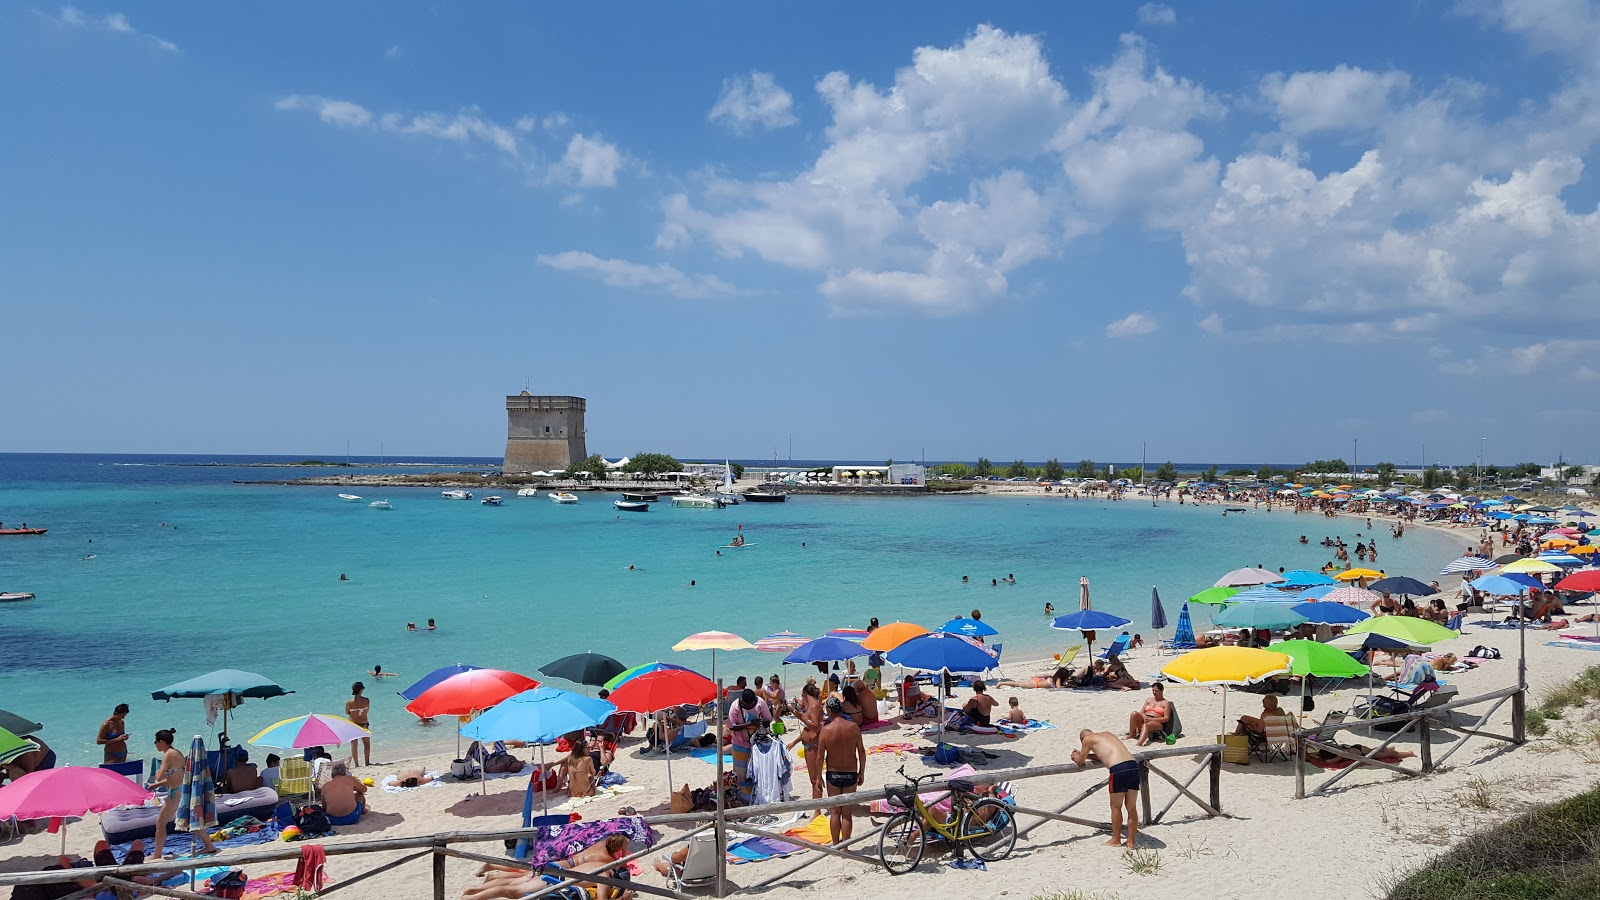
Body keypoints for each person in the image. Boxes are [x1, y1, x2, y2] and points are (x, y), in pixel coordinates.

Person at [147, 729, 217, 858]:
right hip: (180, 791)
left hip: (175, 793)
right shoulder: (176, 753)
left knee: (160, 823)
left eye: (155, 742)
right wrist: (156, 786)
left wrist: (156, 773)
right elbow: (175, 777)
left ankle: (156, 854)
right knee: (191, 821)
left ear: (161, 742)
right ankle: (210, 846)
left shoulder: (168, 754)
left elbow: (159, 775)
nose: (155, 744)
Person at [1073, 729, 1139, 847]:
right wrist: (1088, 755)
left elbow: (1080, 761)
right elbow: (1104, 754)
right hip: (1133, 765)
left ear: (1082, 739)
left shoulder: (1087, 740)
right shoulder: (1108, 734)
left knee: (1115, 807)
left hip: (1118, 769)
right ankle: (1131, 842)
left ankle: (1116, 839)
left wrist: (1075, 755)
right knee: (1132, 808)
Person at [817, 697, 866, 844]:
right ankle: (845, 847)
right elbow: (861, 752)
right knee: (847, 814)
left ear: (830, 711)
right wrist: (862, 772)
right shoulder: (853, 727)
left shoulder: (825, 731)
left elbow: (820, 757)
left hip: (833, 774)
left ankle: (836, 845)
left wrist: (818, 778)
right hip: (851, 773)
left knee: (834, 812)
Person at [727, 689, 772, 805]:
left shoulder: (760, 703)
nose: (750, 706)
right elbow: (731, 727)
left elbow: (768, 720)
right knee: (741, 772)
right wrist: (750, 724)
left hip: (757, 744)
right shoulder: (735, 706)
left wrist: (761, 722)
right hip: (739, 744)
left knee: (757, 771)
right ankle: (743, 798)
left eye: (752, 704)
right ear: (743, 702)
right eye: (748, 705)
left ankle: (757, 796)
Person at [791, 682, 824, 801]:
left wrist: (801, 718)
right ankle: (816, 803)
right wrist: (794, 742)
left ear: (805, 694)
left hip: (813, 745)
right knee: (812, 778)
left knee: (815, 778)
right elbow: (807, 729)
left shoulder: (814, 706)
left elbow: (815, 727)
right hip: (808, 744)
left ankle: (817, 807)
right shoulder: (810, 707)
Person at [346, 682, 372, 766]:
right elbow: (367, 711)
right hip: (363, 723)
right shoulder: (366, 700)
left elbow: (347, 712)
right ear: (361, 690)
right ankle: (367, 762)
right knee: (367, 744)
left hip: (353, 724)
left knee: (354, 745)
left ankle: (356, 764)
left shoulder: (349, 702)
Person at [997, 667, 1071, 689]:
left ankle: (1002, 683)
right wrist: (1067, 686)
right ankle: (1001, 683)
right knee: (1017, 684)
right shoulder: (1058, 679)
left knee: (1019, 683)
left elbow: (1039, 675)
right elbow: (1058, 688)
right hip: (1035, 684)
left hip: (1037, 680)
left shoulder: (1054, 677)